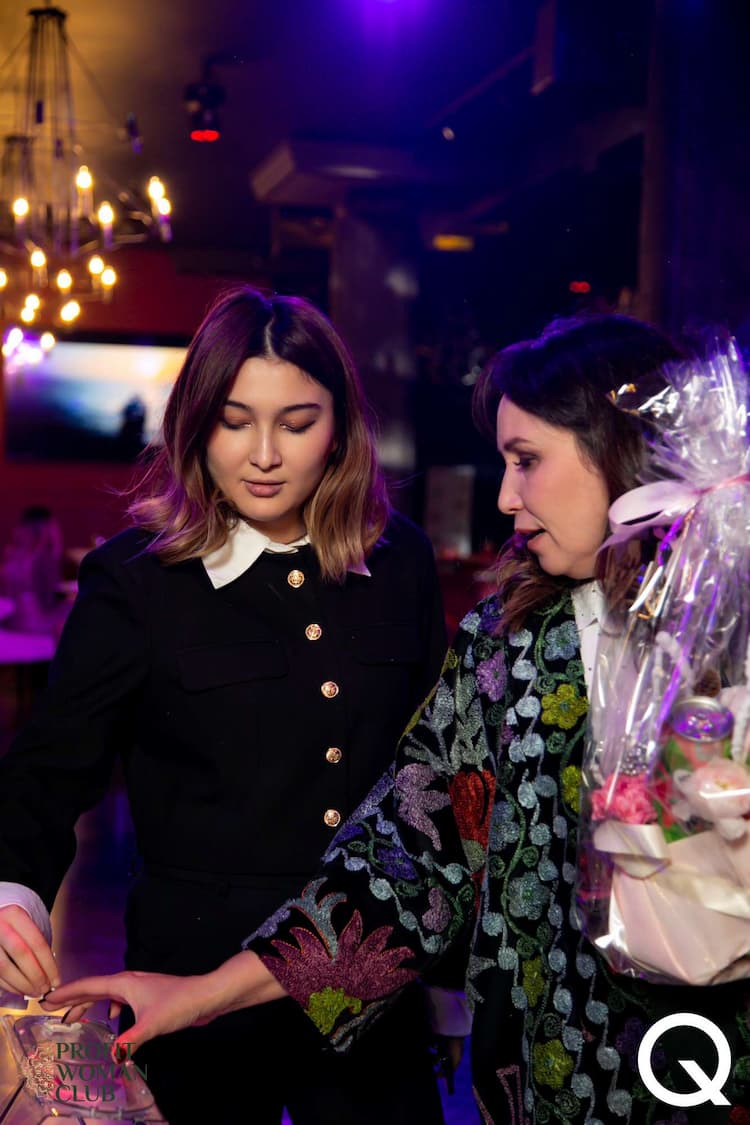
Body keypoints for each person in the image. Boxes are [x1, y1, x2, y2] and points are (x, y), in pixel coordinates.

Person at [47, 313, 750, 1125]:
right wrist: (204, 996)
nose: (505, 496)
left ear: (618, 450)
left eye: (526, 460)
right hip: (558, 1087)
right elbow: (407, 873)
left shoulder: (728, 632)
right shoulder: (507, 651)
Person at [0, 287, 453, 1124]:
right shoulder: (136, 580)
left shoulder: (400, 564)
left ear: (340, 429)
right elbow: (47, 771)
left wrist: (448, 984)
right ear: (195, 423)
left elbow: (433, 788)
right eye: (234, 421)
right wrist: (11, 892)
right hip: (188, 990)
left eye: (298, 422)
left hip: (363, 983)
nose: (264, 455)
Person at [1, 505, 64, 634]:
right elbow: (48, 599)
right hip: (33, 622)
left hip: (16, 619)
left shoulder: (14, 553)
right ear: (47, 527)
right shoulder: (43, 557)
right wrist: (57, 548)